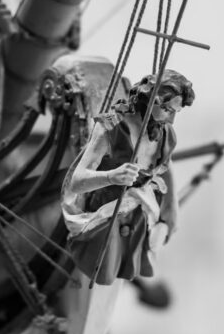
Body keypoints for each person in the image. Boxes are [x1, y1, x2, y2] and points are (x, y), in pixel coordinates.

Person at [62, 69, 194, 285]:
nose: (171, 118)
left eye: (176, 112)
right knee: (103, 269)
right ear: (150, 101)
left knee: (128, 266)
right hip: (105, 214)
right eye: (168, 109)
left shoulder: (166, 133)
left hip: (138, 214)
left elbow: (165, 167)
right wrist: (112, 176)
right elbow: (76, 182)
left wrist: (172, 208)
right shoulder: (111, 127)